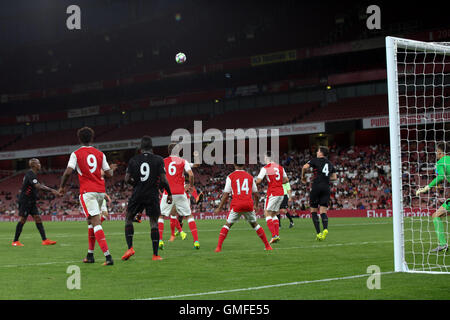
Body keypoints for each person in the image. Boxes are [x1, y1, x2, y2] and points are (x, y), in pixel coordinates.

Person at [59, 127, 117, 266]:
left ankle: (108, 257)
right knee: (91, 222)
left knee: (95, 223)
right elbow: (109, 174)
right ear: (92, 138)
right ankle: (90, 255)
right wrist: (110, 169)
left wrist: (62, 187)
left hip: (87, 192)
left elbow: (68, 172)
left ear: (79, 139)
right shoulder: (100, 154)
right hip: (100, 192)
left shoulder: (76, 154)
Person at [121, 136, 173, 261]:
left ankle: (130, 248)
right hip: (152, 194)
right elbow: (164, 180)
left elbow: (126, 179)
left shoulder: (133, 160)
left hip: (138, 193)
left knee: (128, 218)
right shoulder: (158, 159)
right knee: (153, 222)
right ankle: (155, 255)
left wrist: (137, 185)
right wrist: (169, 193)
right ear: (152, 148)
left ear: (140, 148)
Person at [214, 156, 272, 252]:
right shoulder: (250, 177)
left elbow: (225, 194)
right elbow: (256, 194)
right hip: (248, 205)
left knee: (227, 225)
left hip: (237, 205)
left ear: (234, 164)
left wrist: (219, 208)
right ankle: (267, 246)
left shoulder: (230, 176)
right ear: (244, 164)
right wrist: (256, 205)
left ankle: (218, 247)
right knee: (255, 225)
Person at [159, 143, 200, 249]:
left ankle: (160, 241)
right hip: (181, 192)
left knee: (161, 216)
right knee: (189, 216)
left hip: (168, 193)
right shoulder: (183, 161)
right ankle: (196, 241)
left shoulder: (163, 161)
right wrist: (191, 186)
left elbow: (159, 177)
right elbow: (191, 174)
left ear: (168, 152)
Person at [12, 158, 60, 247]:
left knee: (38, 218)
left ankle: (45, 240)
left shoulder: (32, 174)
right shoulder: (30, 174)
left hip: (31, 201)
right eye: (38, 163)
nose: (40, 165)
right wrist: (52, 190)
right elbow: (37, 186)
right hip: (25, 201)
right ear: (34, 165)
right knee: (23, 220)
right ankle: (15, 241)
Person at [416, 142, 449, 252]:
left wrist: (427, 187)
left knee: (436, 215)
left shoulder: (440, 162)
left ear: (440, 152)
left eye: (436, 151)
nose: (436, 153)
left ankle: (443, 244)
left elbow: (440, 177)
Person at [301, 146, 337, 241]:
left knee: (313, 210)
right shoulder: (330, 163)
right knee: (323, 211)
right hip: (326, 187)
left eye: (318, 151)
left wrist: (303, 176)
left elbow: (304, 167)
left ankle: (319, 233)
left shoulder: (315, 160)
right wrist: (325, 178)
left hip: (316, 186)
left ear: (321, 153)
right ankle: (325, 229)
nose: (317, 152)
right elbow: (334, 177)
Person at [255, 151, 289, 244]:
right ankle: (276, 235)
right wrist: (277, 183)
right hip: (281, 192)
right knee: (274, 214)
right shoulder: (280, 167)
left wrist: (253, 183)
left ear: (268, 158)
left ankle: (274, 236)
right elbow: (286, 180)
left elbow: (258, 181)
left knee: (267, 213)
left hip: (273, 193)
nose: (264, 160)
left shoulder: (265, 168)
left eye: (265, 158)